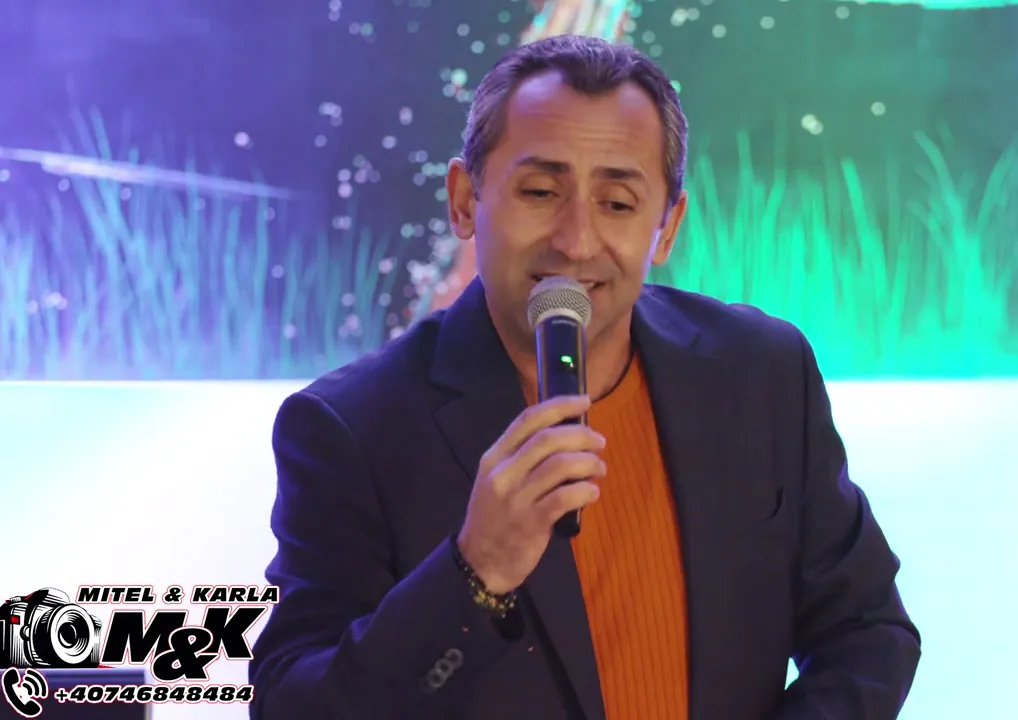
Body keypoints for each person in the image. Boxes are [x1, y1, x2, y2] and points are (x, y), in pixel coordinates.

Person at [249, 34, 920, 720]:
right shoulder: (351, 428)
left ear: (667, 227)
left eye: (618, 203)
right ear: (464, 200)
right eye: (541, 192)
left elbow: (868, 634)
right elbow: (291, 705)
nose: (575, 241)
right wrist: (473, 574)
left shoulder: (760, 373)